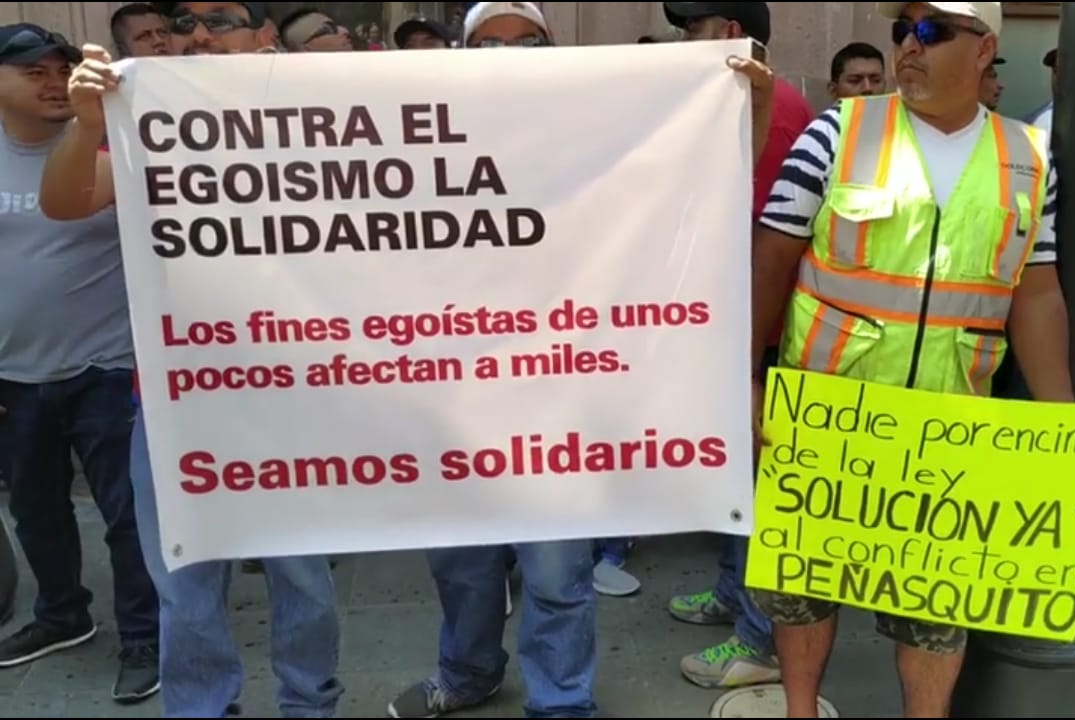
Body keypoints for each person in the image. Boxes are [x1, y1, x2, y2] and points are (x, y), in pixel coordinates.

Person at [384, 3, 779, 717]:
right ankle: (468, 672)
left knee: (556, 570)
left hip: (556, 397)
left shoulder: (597, 135)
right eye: (488, 43)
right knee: (463, 565)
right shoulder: (420, 141)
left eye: (526, 42)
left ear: (553, 49)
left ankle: (561, 702)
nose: (508, 56)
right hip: (452, 396)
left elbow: (704, 186)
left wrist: (746, 105)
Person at [747, 2, 1075, 717]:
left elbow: (1037, 296)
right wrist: (747, 380)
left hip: (950, 431)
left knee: (935, 609)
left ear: (984, 49)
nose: (908, 46)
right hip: (826, 418)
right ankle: (799, 710)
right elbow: (771, 260)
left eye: (931, 30)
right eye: (902, 30)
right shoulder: (839, 132)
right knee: (803, 590)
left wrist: (1068, 427)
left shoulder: (1029, 159)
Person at [41, 3, 345, 716]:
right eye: (185, 21)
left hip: (296, 397)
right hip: (178, 401)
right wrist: (87, 124)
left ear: (263, 35)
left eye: (223, 17)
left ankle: (310, 704)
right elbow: (65, 202)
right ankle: (201, 706)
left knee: (302, 574)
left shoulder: (313, 108)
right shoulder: (146, 120)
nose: (201, 33)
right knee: (185, 579)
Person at [0, 21, 160, 703]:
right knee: (35, 509)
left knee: (127, 513)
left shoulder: (112, 141)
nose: (53, 82)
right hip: (14, 373)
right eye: (32, 71)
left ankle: (146, 638)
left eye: (61, 68)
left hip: (108, 365)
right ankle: (62, 614)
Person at [661, 0, 814, 691]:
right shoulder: (751, 102)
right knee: (737, 478)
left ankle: (759, 639)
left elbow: (757, 242)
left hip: (759, 332)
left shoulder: (767, 112)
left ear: (727, 34)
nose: (680, 41)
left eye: (688, 29)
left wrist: (746, 359)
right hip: (742, 327)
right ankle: (734, 595)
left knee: (757, 487)